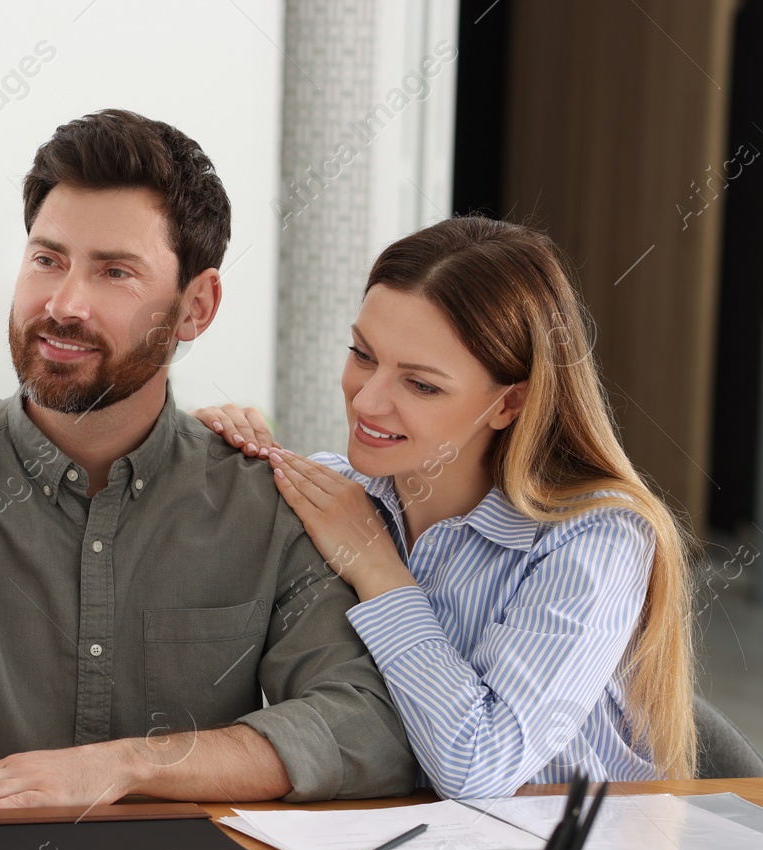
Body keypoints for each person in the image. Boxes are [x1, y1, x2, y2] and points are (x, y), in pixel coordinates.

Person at [0, 110, 415, 809]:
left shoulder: (269, 505)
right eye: (47, 259)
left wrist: (125, 766)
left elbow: (362, 727)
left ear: (195, 307)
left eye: (114, 272)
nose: (64, 303)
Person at [192, 217, 695, 799]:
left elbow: (477, 766)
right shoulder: (332, 491)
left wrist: (379, 569)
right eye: (362, 354)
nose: (369, 399)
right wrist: (206, 456)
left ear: (510, 404)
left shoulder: (596, 538)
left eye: (422, 385)